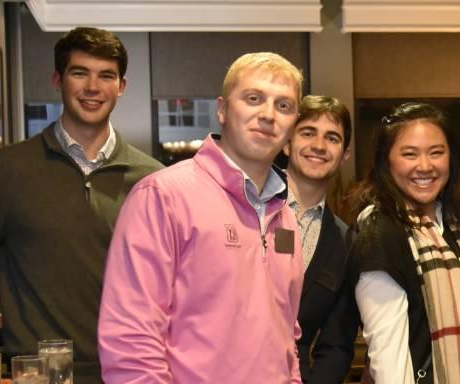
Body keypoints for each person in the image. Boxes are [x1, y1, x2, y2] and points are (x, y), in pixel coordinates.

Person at [0, 27, 162, 383]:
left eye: (106, 75)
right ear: (57, 80)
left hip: (132, 372)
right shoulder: (9, 170)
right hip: (40, 374)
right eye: (80, 73)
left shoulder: (152, 180)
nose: (93, 87)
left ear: (121, 86)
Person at [97, 52, 305, 383]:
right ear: (222, 109)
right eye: (254, 99)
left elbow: (286, 336)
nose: (268, 115)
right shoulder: (163, 197)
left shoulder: (286, 219)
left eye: (284, 106)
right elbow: (130, 341)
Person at [350, 102, 460, 383]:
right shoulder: (380, 234)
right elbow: (388, 358)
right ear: (386, 161)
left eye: (436, 153)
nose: (425, 166)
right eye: (409, 154)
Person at [286, 95, 360, 383]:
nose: (319, 146)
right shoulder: (246, 209)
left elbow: (336, 345)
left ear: (344, 155)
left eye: (332, 138)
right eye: (308, 133)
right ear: (287, 142)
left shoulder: (345, 242)